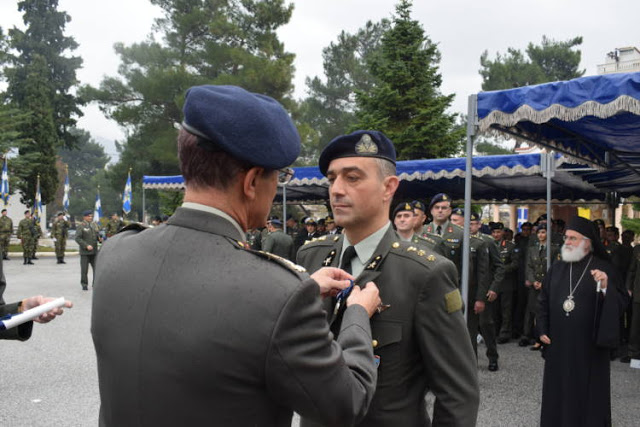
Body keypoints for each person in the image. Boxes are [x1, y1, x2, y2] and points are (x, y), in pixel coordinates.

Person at [91, 85, 382, 426]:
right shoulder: (279, 293)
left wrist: (291, 294)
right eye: (279, 176)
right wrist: (358, 317)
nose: (278, 188)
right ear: (252, 182)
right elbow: (346, 402)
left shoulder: (116, 251)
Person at [297, 130, 479, 426]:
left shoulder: (424, 273)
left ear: (388, 187)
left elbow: (457, 394)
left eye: (352, 178)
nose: (336, 190)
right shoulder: (312, 258)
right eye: (332, 179)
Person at [538, 216, 629, 427]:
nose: (567, 242)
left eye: (573, 238)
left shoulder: (604, 268)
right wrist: (542, 329)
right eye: (566, 238)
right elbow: (542, 301)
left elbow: (622, 302)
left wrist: (605, 287)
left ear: (587, 242)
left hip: (589, 348)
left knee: (587, 396)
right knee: (557, 394)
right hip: (559, 345)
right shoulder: (557, 268)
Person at [521, 224, 559, 350]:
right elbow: (529, 266)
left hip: (548, 285)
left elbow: (556, 267)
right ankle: (535, 337)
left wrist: (545, 283)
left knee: (546, 311)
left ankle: (545, 337)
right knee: (533, 311)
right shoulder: (532, 249)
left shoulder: (554, 249)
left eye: (543, 232)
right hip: (535, 285)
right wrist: (533, 281)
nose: (541, 235)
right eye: (539, 233)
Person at [491, 222, 520, 344]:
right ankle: (494, 332)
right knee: (494, 310)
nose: (496, 234)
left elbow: (515, 264)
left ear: (503, 232)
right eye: (494, 232)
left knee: (506, 310)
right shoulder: (488, 245)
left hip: (506, 283)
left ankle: (504, 333)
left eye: (498, 232)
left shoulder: (510, 246)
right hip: (492, 283)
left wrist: (502, 269)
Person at [75, 210, 101, 290]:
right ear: (85, 217)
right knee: (84, 269)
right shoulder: (81, 226)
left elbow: (96, 235)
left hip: (94, 251)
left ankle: (95, 284)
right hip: (85, 252)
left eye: (91, 216)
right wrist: (86, 246)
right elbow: (77, 238)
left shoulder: (94, 225)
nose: (90, 217)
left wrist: (99, 239)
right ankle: (84, 284)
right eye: (89, 216)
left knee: (96, 268)